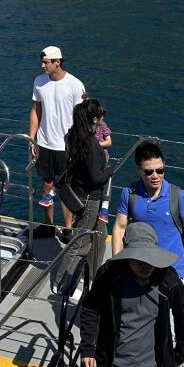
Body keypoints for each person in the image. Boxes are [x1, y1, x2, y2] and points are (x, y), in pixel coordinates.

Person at [79, 221, 184, 367]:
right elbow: (90, 307)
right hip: (112, 366)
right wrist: (88, 347)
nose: (145, 265)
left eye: (149, 259)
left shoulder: (170, 282)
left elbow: (182, 316)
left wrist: (180, 353)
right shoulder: (109, 275)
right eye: (138, 259)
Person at [112, 140, 184, 297]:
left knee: (169, 321)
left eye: (160, 170)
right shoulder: (129, 194)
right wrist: (117, 264)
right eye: (149, 172)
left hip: (172, 271)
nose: (155, 176)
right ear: (138, 170)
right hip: (140, 270)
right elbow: (119, 229)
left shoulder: (179, 197)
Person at [28, 46, 87, 238]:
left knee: (66, 189)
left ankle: (68, 228)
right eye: (42, 62)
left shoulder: (75, 85)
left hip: (66, 147)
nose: (42, 66)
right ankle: (48, 225)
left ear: (57, 62)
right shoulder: (39, 82)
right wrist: (32, 139)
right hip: (44, 144)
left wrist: (78, 146)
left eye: (46, 62)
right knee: (46, 185)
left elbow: (82, 119)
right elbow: (36, 111)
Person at [58, 99, 115, 279]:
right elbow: (95, 177)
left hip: (79, 192)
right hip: (90, 198)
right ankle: (61, 280)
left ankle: (90, 275)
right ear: (96, 119)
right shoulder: (91, 144)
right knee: (80, 242)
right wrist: (109, 171)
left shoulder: (73, 135)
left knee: (99, 236)